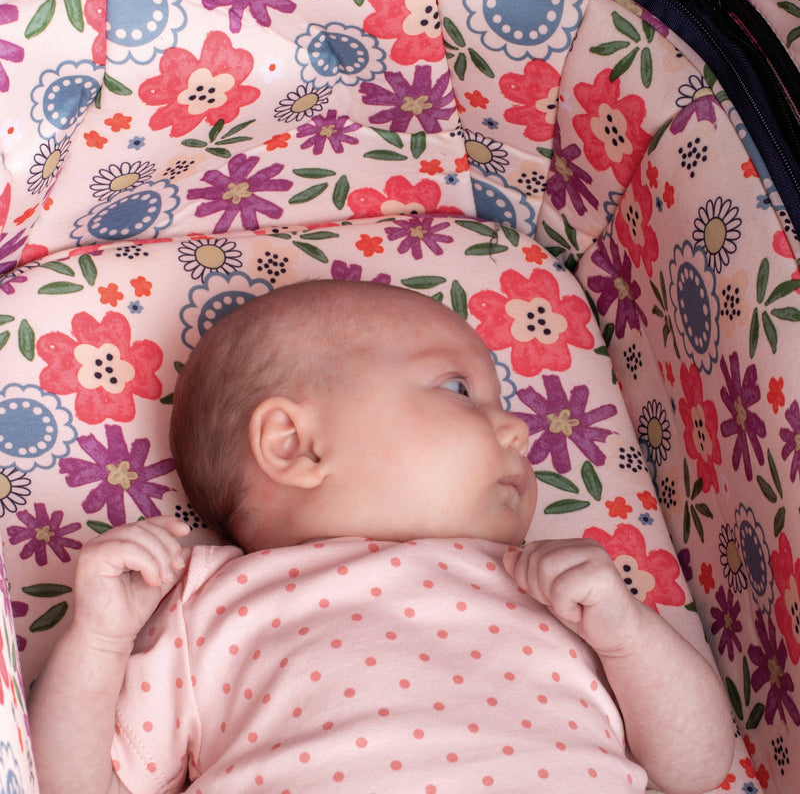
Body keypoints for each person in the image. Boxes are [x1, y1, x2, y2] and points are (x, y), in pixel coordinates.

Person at [29, 280, 734, 794]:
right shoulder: (206, 603)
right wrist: (100, 640)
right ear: (295, 445)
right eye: (458, 389)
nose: (519, 429)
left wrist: (626, 633)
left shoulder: (560, 588)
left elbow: (699, 767)